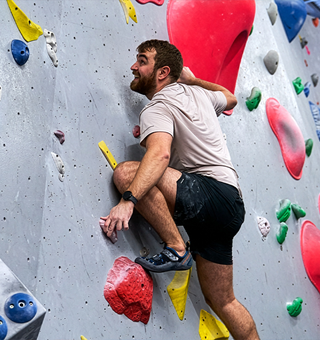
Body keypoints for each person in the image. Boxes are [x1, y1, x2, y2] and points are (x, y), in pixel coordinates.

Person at [100, 39, 259, 340]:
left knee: (126, 174)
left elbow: (159, 155)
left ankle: (176, 247)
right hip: (230, 205)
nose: (134, 66)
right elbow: (230, 98)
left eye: (142, 61)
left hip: (209, 193)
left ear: (162, 72)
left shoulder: (157, 107)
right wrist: (193, 79)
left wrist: (128, 200)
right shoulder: (199, 94)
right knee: (222, 300)